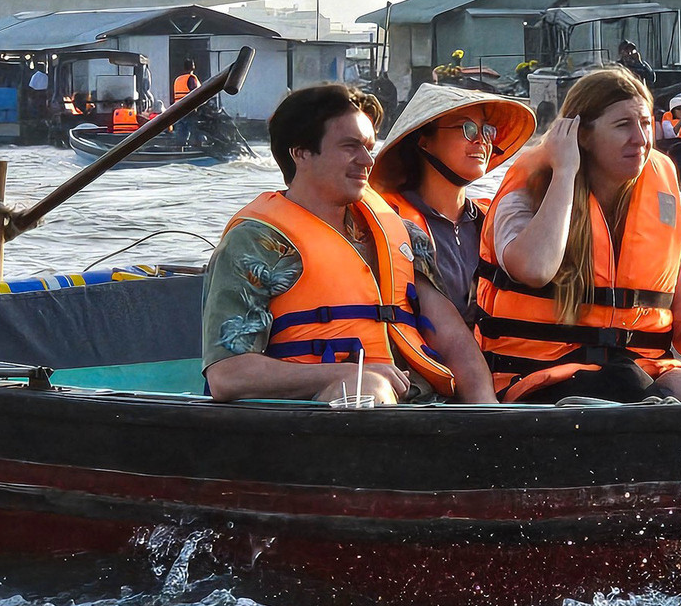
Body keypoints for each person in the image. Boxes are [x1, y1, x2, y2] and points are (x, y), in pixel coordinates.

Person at [477, 68, 681, 404]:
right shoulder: (527, 195)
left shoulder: (664, 209)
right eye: (623, 125)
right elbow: (534, 269)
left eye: (646, 123)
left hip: (630, 376)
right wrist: (565, 171)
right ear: (582, 135)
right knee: (605, 396)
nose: (641, 139)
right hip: (538, 381)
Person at [201, 83, 496, 405]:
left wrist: (489, 416)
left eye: (369, 146)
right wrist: (345, 374)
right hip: (326, 410)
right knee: (366, 388)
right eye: (350, 147)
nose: (367, 160)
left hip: (419, 406)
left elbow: (455, 343)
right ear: (301, 153)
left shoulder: (403, 234)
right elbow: (227, 376)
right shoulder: (256, 243)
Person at [369, 83, 536, 324]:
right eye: (467, 128)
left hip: (489, 354)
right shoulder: (389, 220)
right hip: (424, 358)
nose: (481, 141)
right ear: (424, 141)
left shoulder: (490, 219)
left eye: (487, 131)